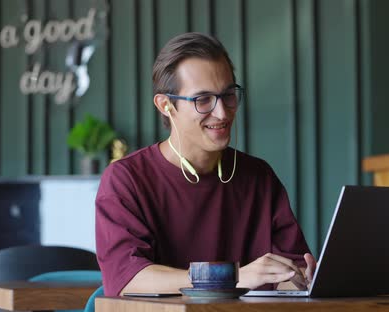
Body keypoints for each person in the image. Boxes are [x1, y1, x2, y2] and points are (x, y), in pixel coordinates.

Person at [95, 32, 316, 297]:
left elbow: (288, 273)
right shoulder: (126, 178)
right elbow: (127, 278)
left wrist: (301, 279)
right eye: (203, 100)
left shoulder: (259, 176)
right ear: (166, 105)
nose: (222, 113)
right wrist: (232, 277)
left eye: (228, 95)